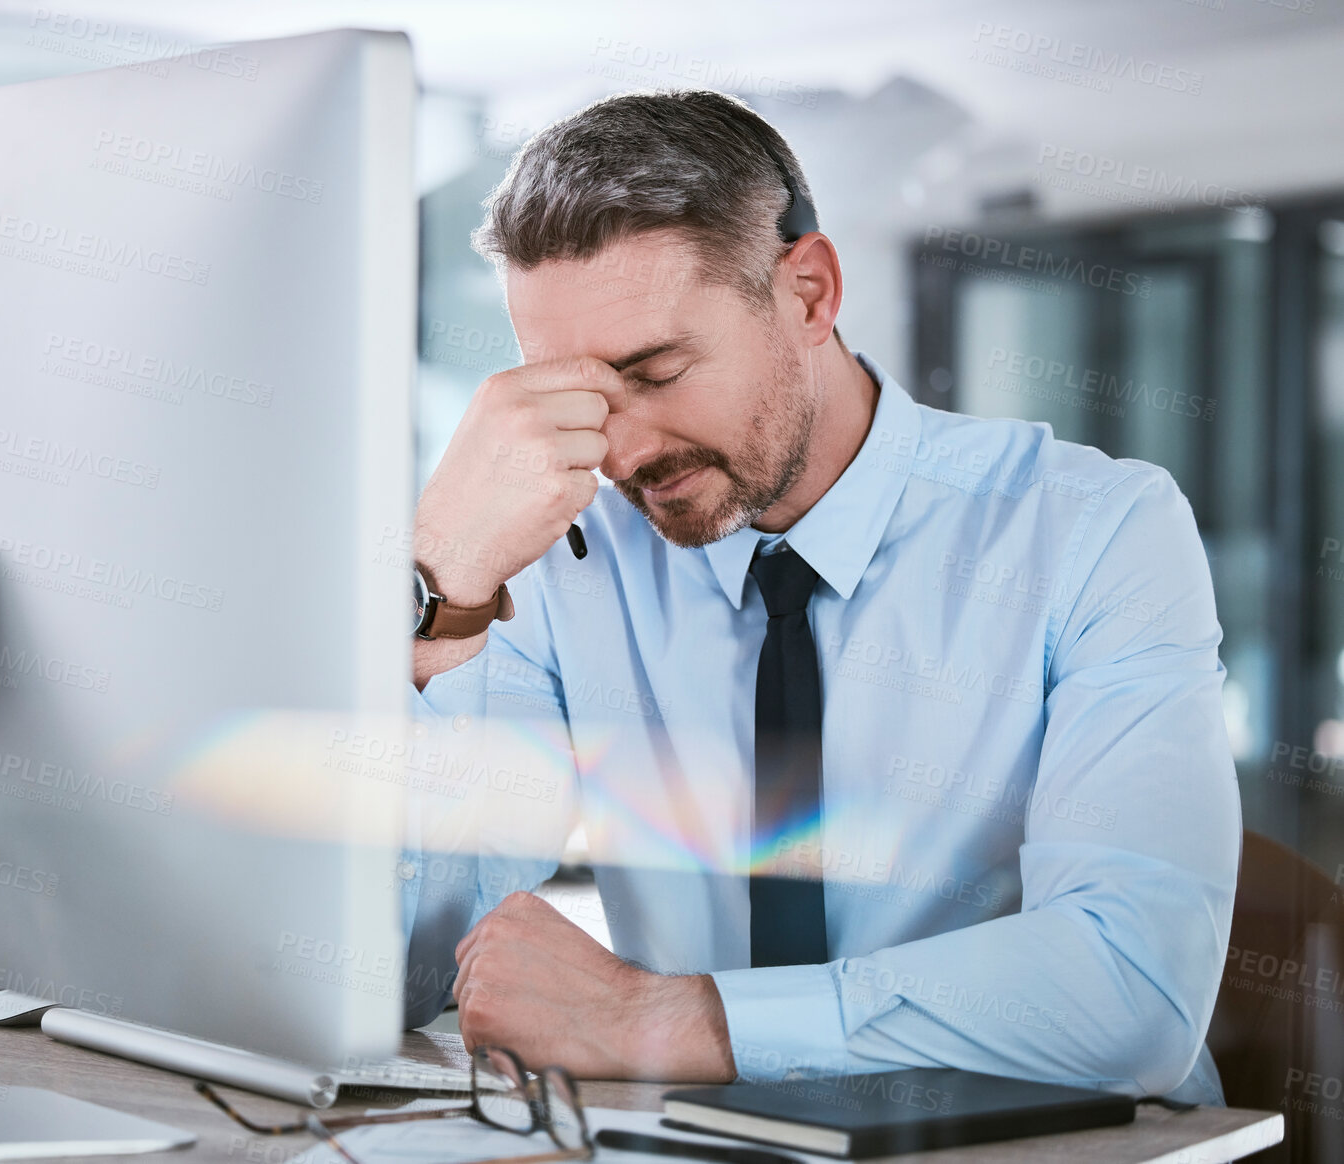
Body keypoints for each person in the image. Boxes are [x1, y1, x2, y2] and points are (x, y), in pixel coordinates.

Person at [398, 89, 1238, 1105]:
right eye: (577, 395)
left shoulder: (1096, 530)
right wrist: (441, 581)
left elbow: (1131, 991)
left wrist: (669, 1020)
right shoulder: (559, 561)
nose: (616, 450)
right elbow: (401, 969)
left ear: (808, 294)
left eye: (655, 371)